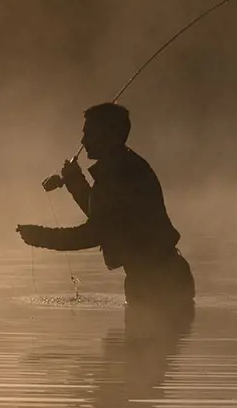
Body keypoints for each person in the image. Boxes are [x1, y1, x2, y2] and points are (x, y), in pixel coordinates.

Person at [17, 103, 195, 325]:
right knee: (138, 354)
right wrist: (74, 180)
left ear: (109, 135)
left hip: (158, 281)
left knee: (140, 351)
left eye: (89, 134)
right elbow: (103, 216)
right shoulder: (122, 168)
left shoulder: (122, 174)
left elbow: (96, 232)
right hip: (156, 278)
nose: (83, 141)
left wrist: (41, 237)